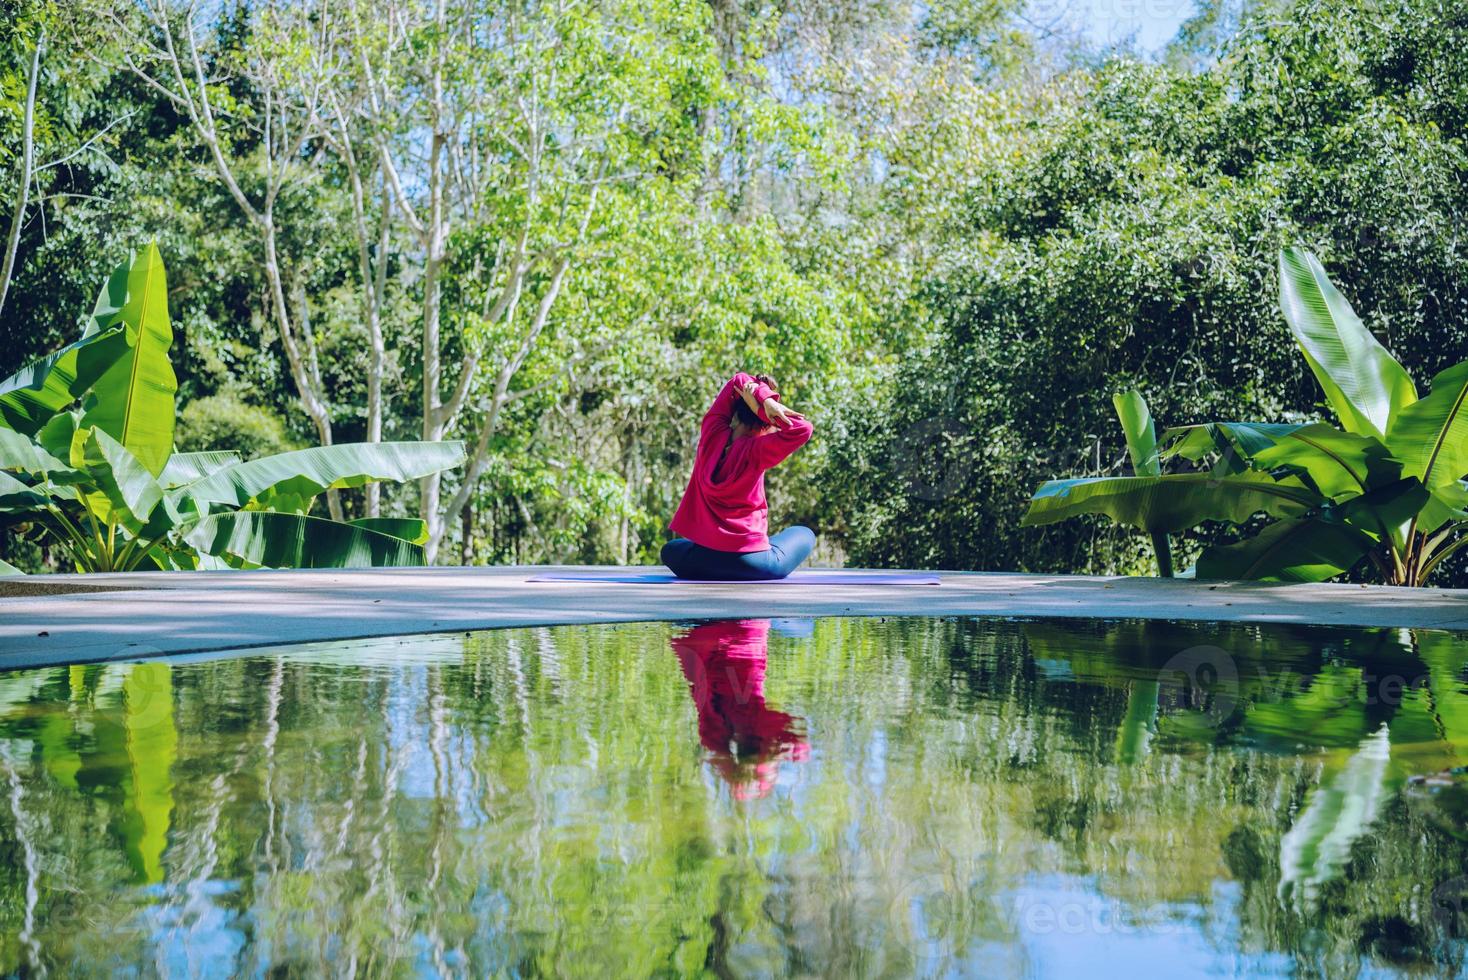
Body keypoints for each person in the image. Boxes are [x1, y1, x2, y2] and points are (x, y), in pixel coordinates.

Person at [661, 372, 815, 580]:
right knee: (804, 534)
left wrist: (760, 398)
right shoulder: (757, 451)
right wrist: (766, 406)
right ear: (766, 422)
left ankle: (717, 560)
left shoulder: (711, 432)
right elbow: (804, 429)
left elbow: (737, 380)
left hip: (704, 561)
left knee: (670, 550)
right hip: (753, 563)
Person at [670, 619, 808, 800]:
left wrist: (765, 767)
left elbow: (801, 747)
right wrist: (738, 774)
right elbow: (800, 747)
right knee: (801, 628)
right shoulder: (722, 726)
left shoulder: (754, 724)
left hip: (741, 632)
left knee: (802, 628)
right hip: (717, 636)